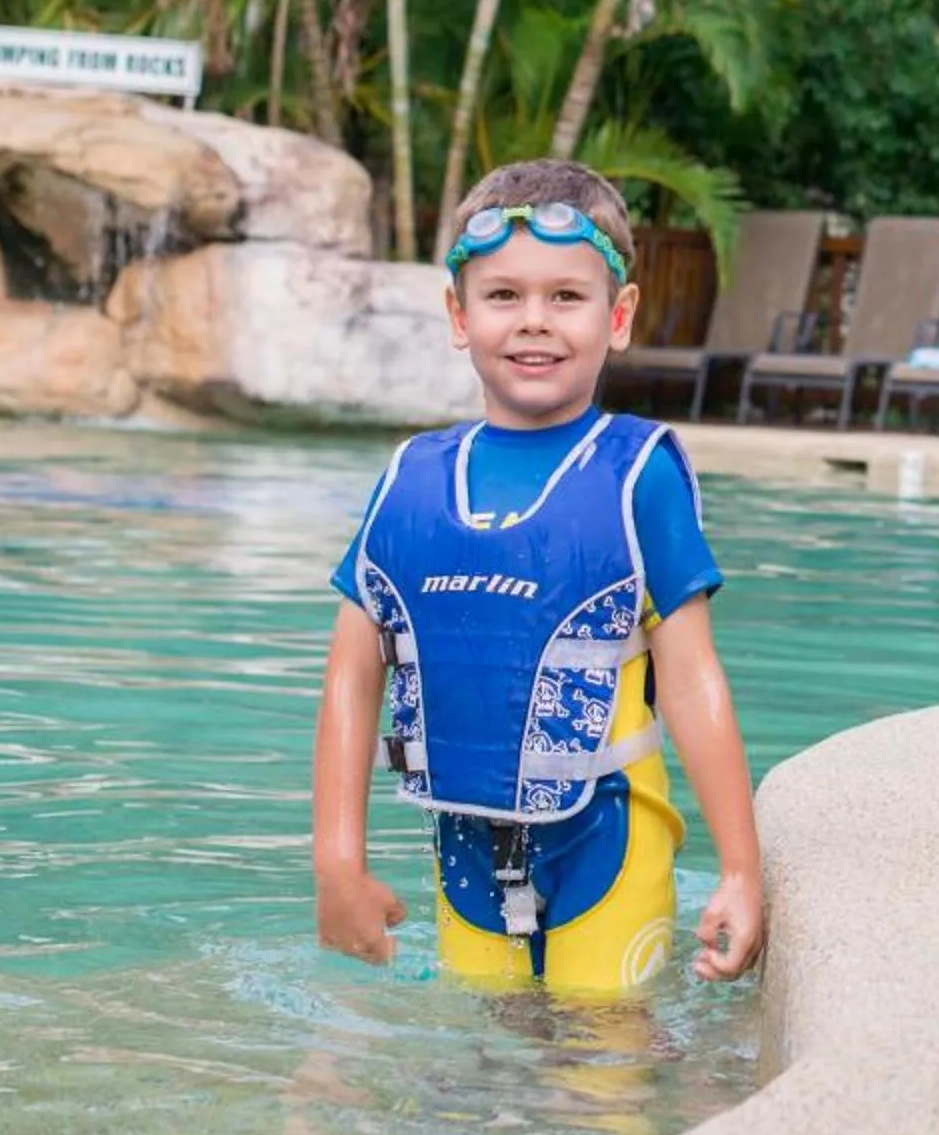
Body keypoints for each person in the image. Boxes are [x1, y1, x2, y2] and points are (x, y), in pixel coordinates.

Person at [310, 159, 763, 996]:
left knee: (606, 1052)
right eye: (503, 295)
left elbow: (692, 678)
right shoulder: (412, 480)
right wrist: (338, 862)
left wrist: (742, 869)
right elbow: (352, 670)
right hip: (464, 847)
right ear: (459, 315)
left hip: (610, 840)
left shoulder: (637, 476)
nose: (534, 321)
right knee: (486, 1057)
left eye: (565, 296)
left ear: (617, 316)